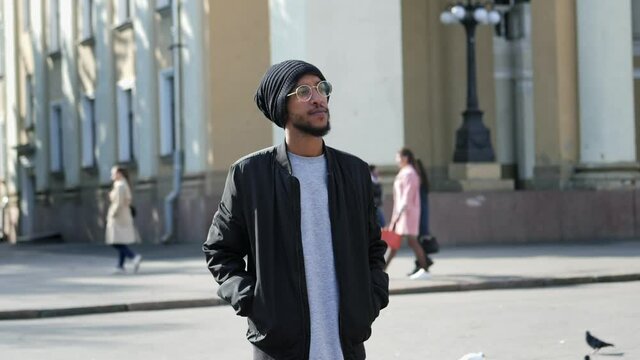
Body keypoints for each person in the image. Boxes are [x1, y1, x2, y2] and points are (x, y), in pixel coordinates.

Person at [203, 60, 389, 360]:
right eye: (303, 92)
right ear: (281, 106)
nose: (318, 98)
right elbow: (220, 250)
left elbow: (372, 247)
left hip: (347, 346)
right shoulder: (249, 175)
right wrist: (253, 302)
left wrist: (372, 297)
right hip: (280, 348)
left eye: (321, 88)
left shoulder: (354, 172)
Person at [385, 147, 430, 280]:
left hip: (407, 213)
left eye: (398, 157)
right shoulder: (406, 172)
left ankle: (425, 269)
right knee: (396, 243)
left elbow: (407, 196)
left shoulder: (409, 173)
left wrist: (399, 214)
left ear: (405, 158)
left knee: (408, 242)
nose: (396, 160)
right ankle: (381, 270)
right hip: (404, 213)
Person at [105, 166, 142, 274]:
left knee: (114, 241)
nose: (112, 176)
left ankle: (133, 256)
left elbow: (119, 202)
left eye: (113, 173)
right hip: (123, 215)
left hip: (119, 216)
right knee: (120, 240)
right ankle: (120, 266)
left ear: (119, 174)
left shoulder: (120, 186)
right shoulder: (121, 184)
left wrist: (112, 214)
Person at [407, 159, 435, 276]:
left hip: (419, 216)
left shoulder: (418, 181)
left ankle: (423, 264)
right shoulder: (421, 181)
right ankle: (422, 263)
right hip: (420, 215)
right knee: (417, 242)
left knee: (417, 241)